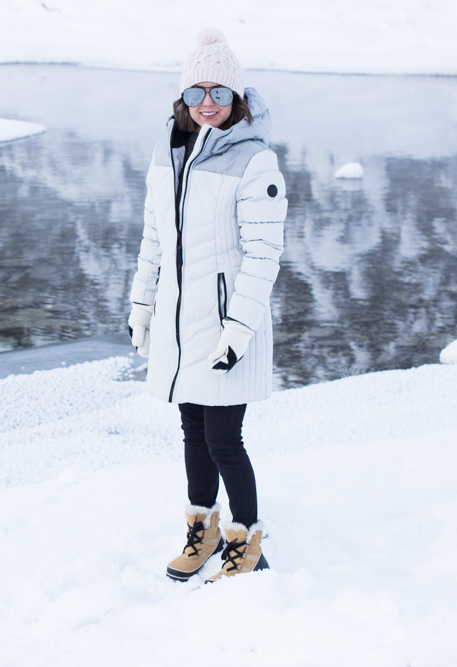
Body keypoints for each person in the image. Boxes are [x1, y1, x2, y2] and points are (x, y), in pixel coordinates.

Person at [126, 28, 286, 582]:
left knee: (224, 437)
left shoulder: (254, 161)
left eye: (219, 92)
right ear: (183, 99)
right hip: (178, 320)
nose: (208, 104)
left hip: (223, 324)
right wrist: (141, 303)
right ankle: (204, 531)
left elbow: (264, 256)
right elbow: (154, 235)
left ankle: (247, 543)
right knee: (192, 428)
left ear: (236, 97)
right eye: (197, 93)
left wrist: (238, 330)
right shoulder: (168, 152)